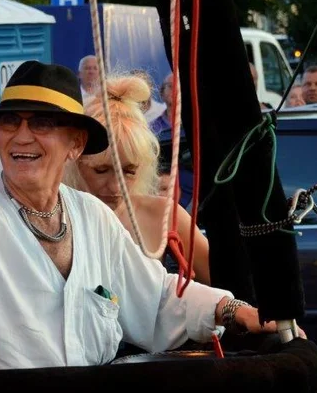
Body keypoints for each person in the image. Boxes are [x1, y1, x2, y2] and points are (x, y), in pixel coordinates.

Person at [0, 61, 279, 370]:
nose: (21, 136)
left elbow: (155, 297)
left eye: (41, 123)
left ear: (75, 144)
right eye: (9, 123)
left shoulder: (92, 216)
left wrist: (231, 308)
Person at [65, 75, 210, 283]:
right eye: (101, 170)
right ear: (76, 162)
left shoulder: (164, 215)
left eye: (129, 171)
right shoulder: (52, 218)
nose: (116, 186)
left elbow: (229, 287)